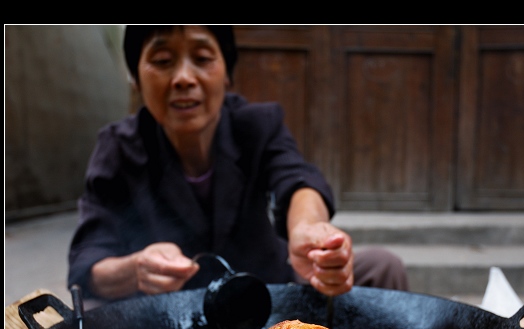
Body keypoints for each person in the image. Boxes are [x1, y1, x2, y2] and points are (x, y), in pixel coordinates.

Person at [67, 25, 408, 306]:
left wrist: (307, 230)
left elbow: (296, 179)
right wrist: (136, 269)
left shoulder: (257, 124)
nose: (184, 77)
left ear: (227, 73)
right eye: (162, 60)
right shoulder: (118, 147)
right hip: (170, 319)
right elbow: (87, 262)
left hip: (271, 302)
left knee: (383, 267)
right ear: (137, 80)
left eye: (202, 58)